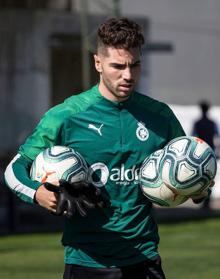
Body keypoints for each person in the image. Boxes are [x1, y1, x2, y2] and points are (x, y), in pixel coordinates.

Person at [4, 17, 210, 279]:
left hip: (144, 258)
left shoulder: (160, 116)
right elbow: (15, 169)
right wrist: (38, 193)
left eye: (135, 65)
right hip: (87, 261)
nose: (128, 75)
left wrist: (198, 188)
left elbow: (190, 175)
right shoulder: (66, 116)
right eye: (118, 66)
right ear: (97, 63)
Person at [192, 100, 219, 208]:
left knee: (200, 176)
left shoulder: (198, 123)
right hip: (210, 152)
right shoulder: (212, 123)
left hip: (200, 153)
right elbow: (217, 137)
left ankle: (204, 200)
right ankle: (206, 201)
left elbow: (193, 137)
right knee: (210, 177)